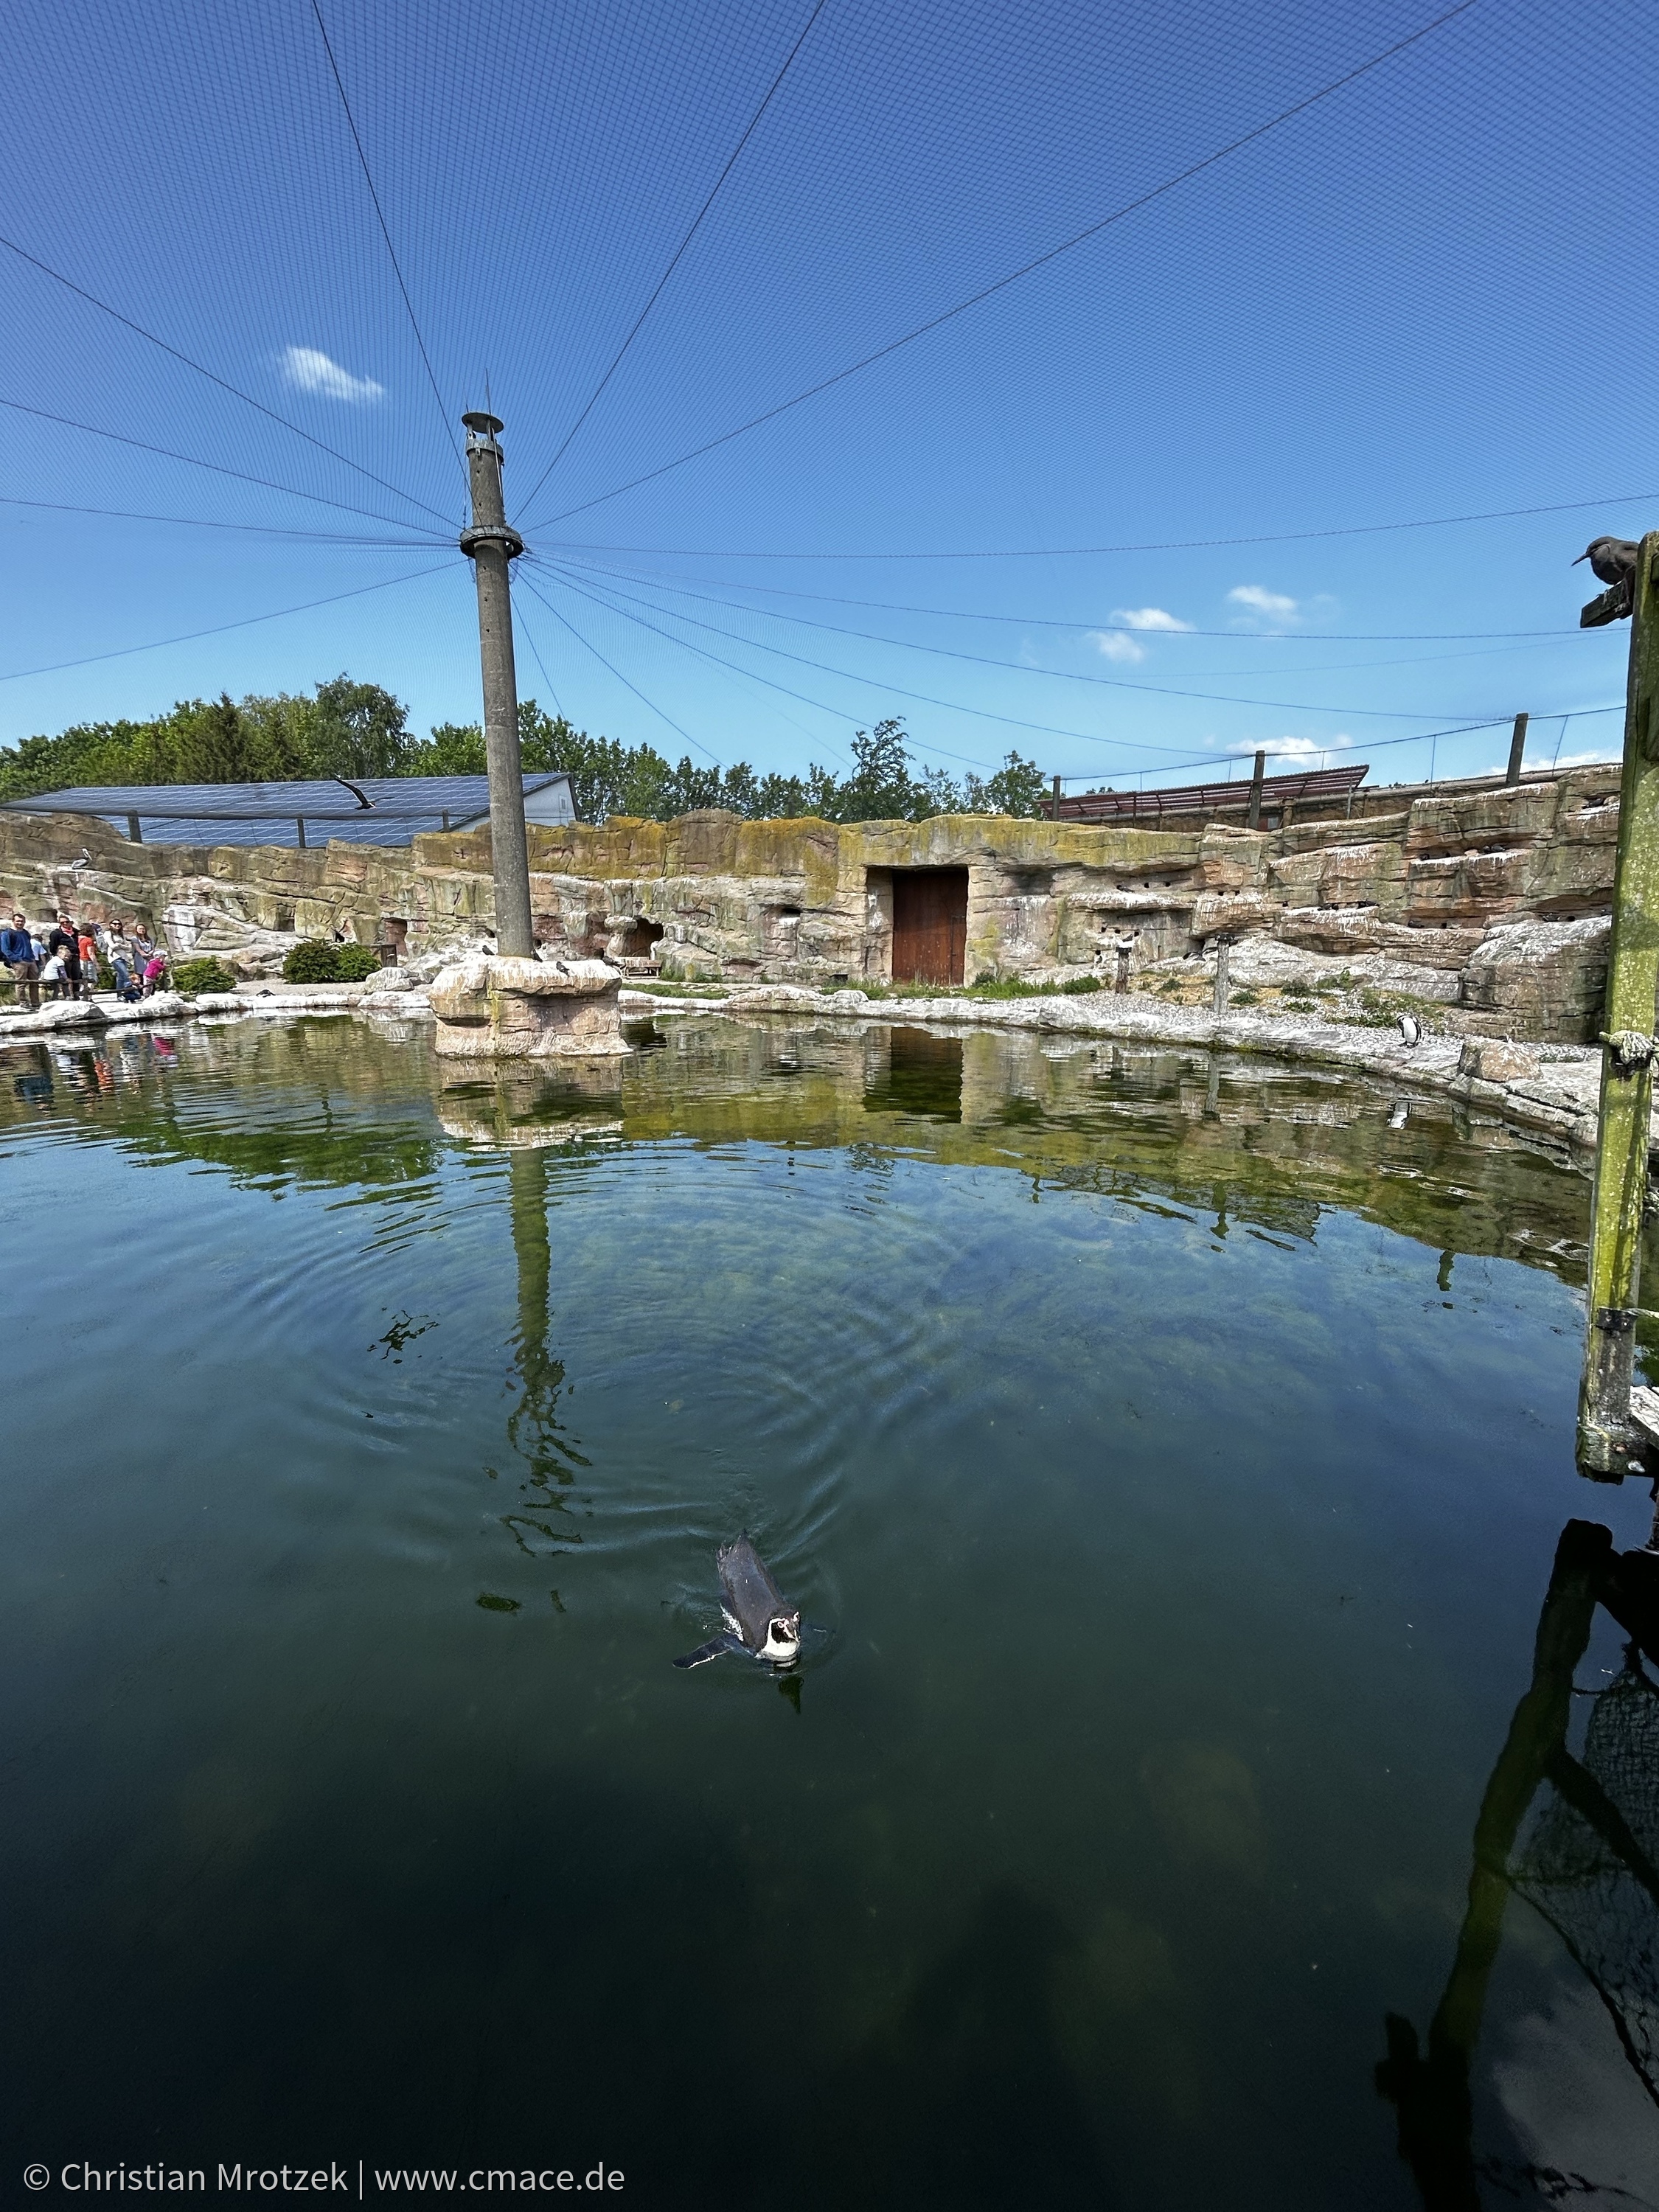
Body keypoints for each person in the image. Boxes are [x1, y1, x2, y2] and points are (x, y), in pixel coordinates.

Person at [1, 911, 41, 1009]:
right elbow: (5, 949)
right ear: (13, 921)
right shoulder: (7, 933)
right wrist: (17, 959)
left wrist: (32, 958)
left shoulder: (25, 933)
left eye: (22, 921)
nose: (20, 923)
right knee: (21, 983)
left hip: (30, 960)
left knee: (35, 982)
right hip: (19, 961)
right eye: (18, 921)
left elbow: (28, 946)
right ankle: (23, 1002)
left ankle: (35, 1002)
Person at [47, 915, 83, 1001]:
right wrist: (58, 956)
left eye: (67, 922)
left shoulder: (76, 933)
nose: (65, 924)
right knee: (66, 977)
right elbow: (53, 946)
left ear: (71, 922)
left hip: (76, 957)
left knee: (76, 976)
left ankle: (76, 994)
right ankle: (68, 995)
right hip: (64, 958)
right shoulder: (56, 934)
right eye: (62, 922)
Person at [106, 922, 136, 998]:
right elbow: (112, 946)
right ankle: (129, 993)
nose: (117, 925)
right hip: (115, 957)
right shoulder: (108, 933)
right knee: (126, 975)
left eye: (119, 924)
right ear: (111, 925)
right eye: (115, 924)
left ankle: (119, 995)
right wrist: (122, 946)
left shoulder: (121, 934)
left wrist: (120, 945)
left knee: (121, 978)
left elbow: (129, 948)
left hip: (124, 957)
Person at [78, 925, 100, 997]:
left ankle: (81, 995)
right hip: (88, 961)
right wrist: (97, 964)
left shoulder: (78, 939)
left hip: (80, 960)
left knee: (84, 980)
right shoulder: (89, 940)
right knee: (92, 980)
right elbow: (91, 953)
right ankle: (87, 996)